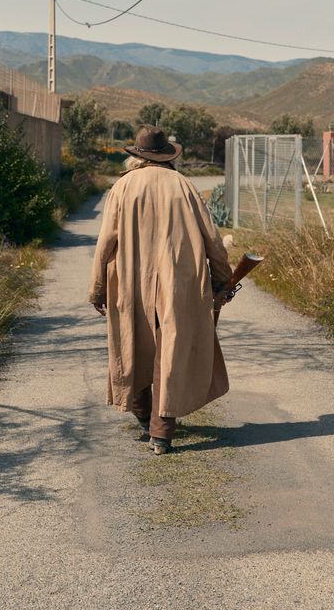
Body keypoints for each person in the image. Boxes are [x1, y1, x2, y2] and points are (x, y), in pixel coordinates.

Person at [89, 124, 232, 455]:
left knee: (134, 346)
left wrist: (97, 289)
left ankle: (143, 416)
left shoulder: (123, 187)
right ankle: (161, 432)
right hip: (177, 284)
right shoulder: (183, 186)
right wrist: (222, 279)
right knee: (169, 351)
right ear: (167, 156)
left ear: (136, 157)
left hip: (130, 282)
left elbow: (105, 242)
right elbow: (212, 238)